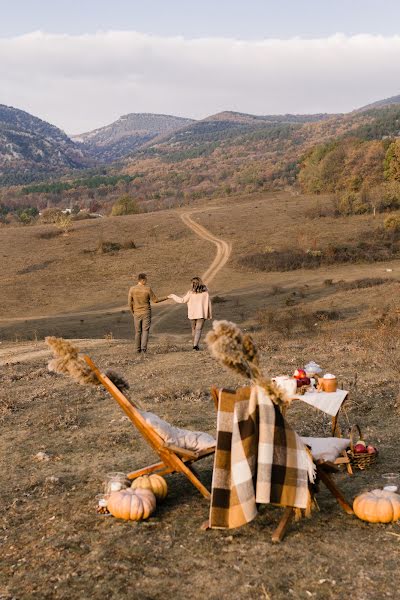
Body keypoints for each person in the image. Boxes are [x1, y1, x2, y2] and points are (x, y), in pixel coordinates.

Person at [168, 276, 212, 350]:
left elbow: (182, 300)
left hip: (192, 314)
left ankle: (194, 345)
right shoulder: (205, 293)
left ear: (193, 284)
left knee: (194, 329)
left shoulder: (190, 293)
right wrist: (209, 315)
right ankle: (195, 345)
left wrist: (173, 296)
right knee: (198, 329)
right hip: (201, 314)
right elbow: (209, 304)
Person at [128, 273, 168, 354]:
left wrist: (133, 312)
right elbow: (155, 300)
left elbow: (129, 303)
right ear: (142, 280)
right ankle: (143, 349)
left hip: (136, 312)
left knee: (138, 332)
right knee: (145, 331)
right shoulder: (147, 289)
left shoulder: (132, 289)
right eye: (146, 280)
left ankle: (137, 349)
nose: (146, 281)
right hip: (146, 312)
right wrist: (167, 297)